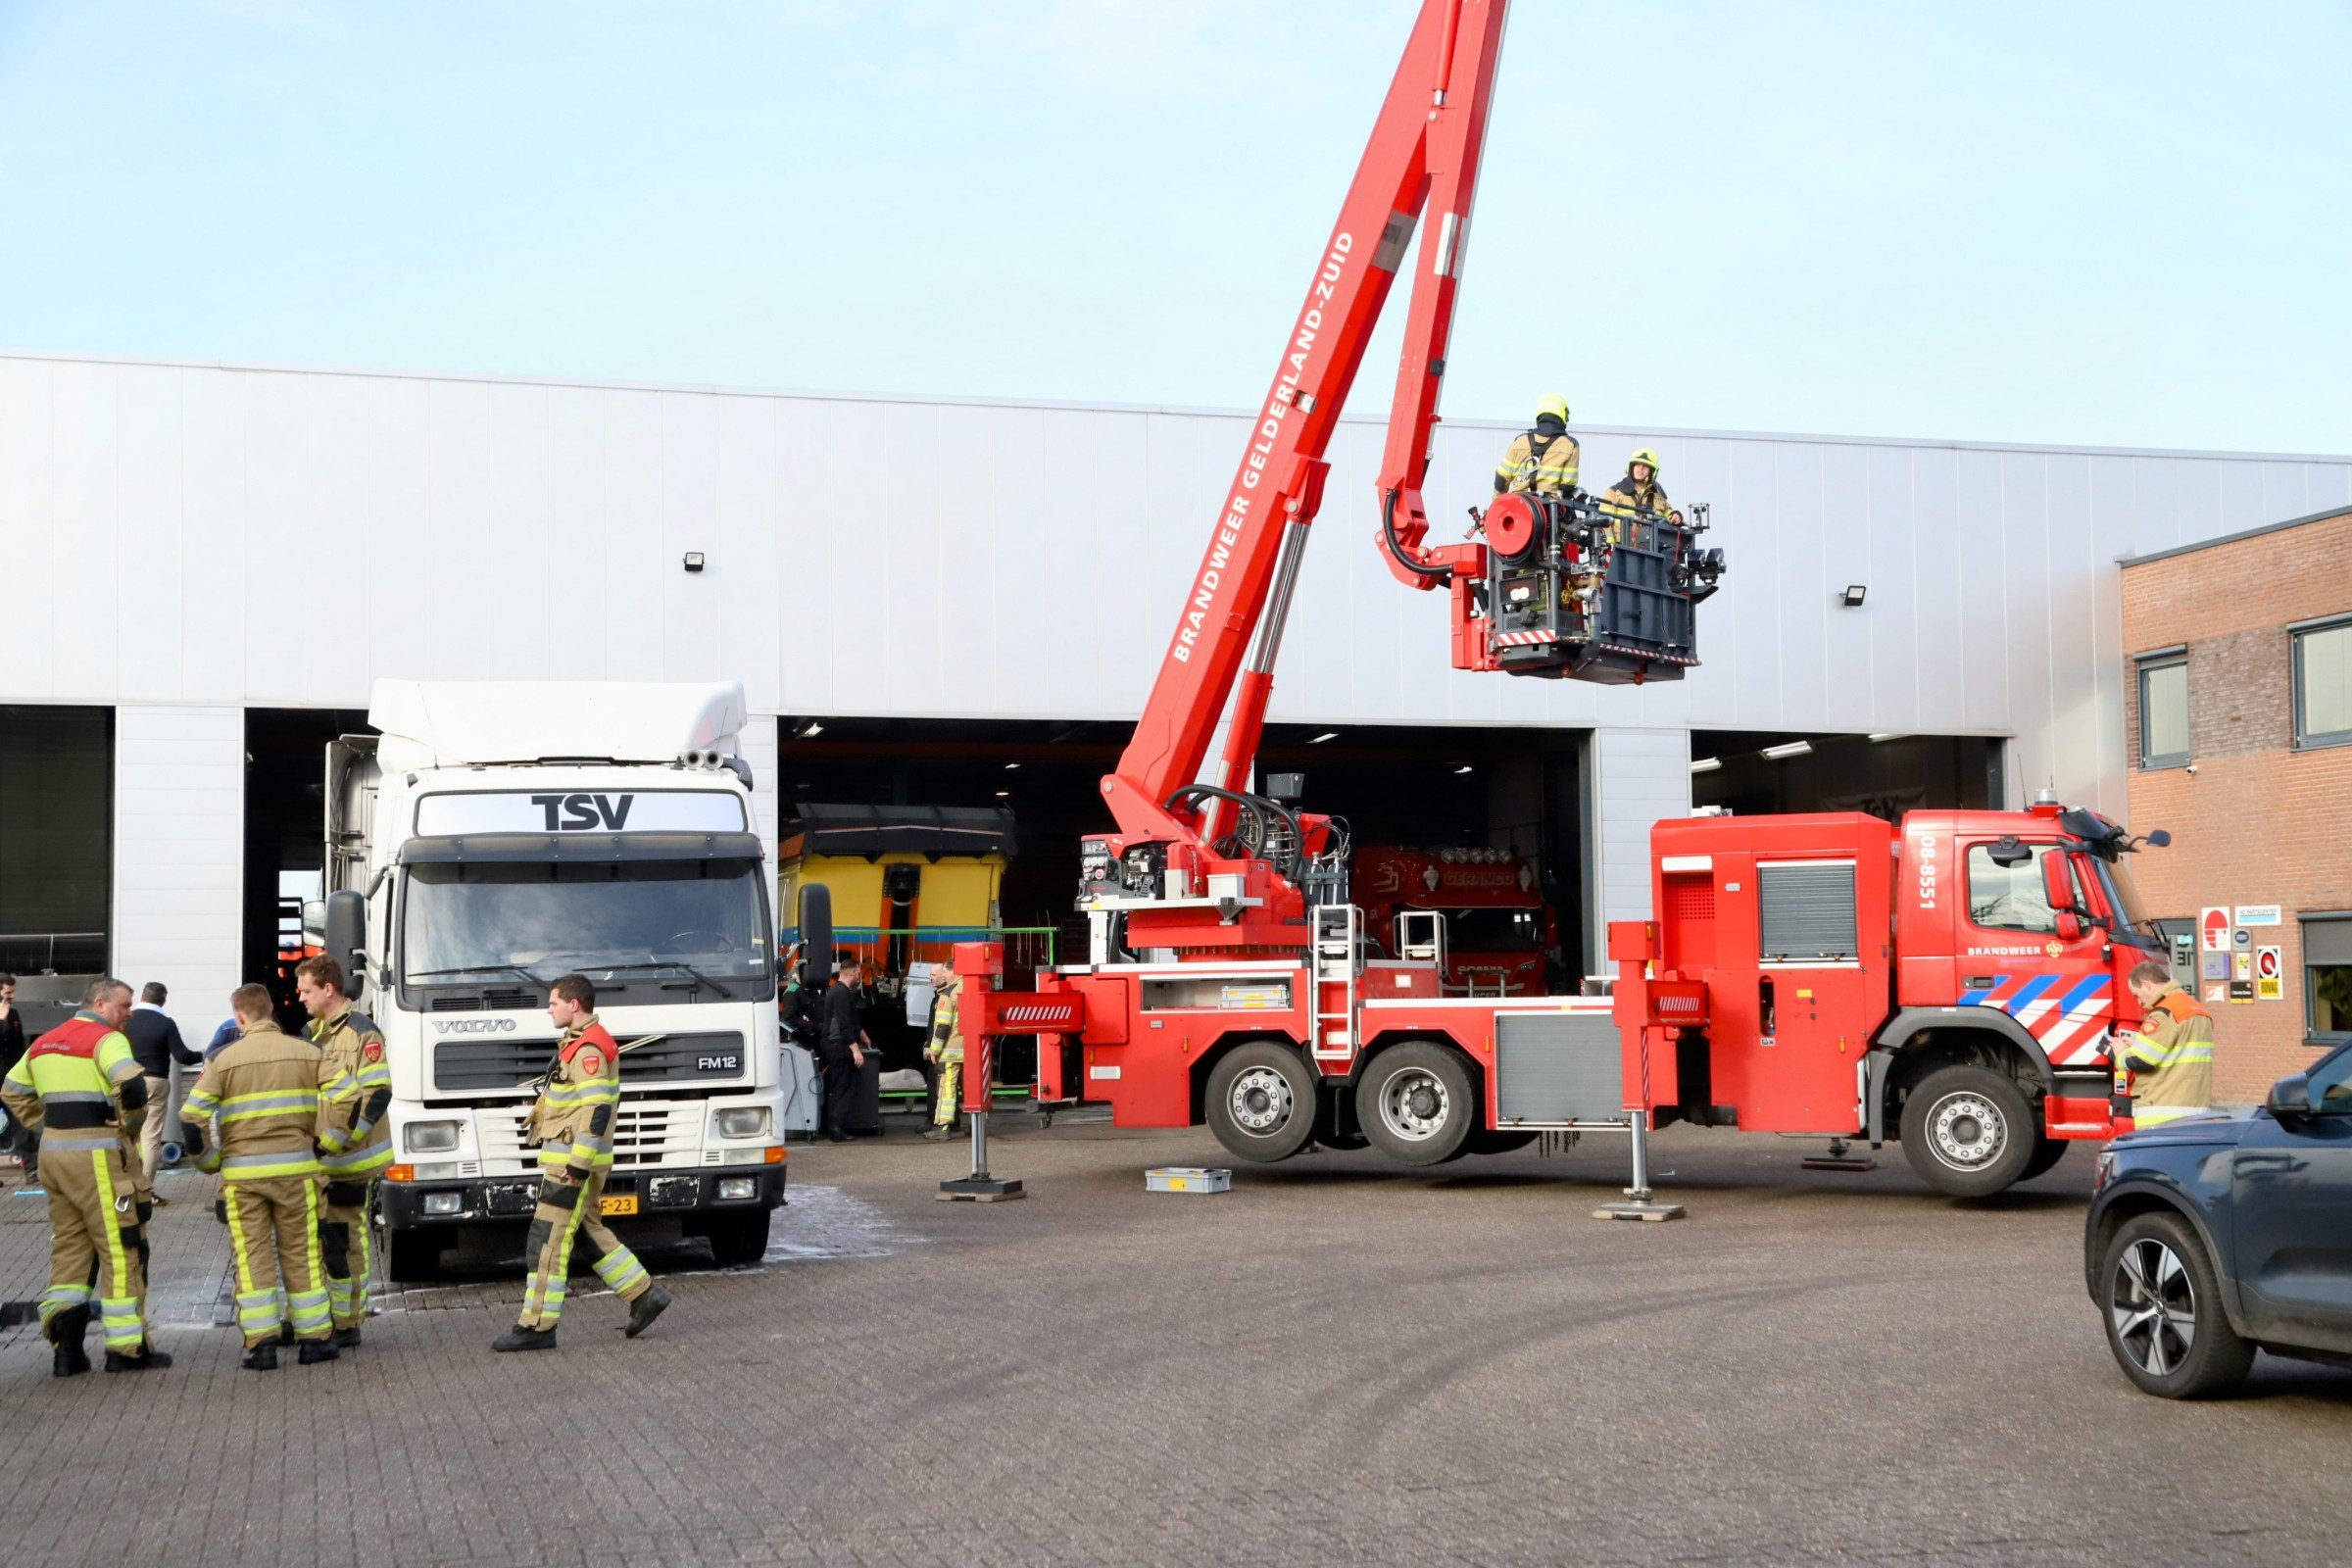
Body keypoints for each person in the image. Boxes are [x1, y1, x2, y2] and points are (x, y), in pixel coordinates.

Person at [179, 982, 359, 1369]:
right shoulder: (308, 1051)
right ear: (272, 1009)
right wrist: (329, 1142)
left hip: (243, 1179)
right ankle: (315, 1341)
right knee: (304, 1255)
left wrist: (209, 1162)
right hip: (298, 1173)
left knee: (252, 1257)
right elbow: (348, 1095)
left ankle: (261, 1346)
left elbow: (190, 1119)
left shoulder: (223, 1060)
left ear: (239, 1017)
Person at [0, 977, 169, 1374]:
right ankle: (127, 1350)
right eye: (124, 1006)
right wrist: (129, 1125)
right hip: (98, 1157)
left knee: (70, 1251)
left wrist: (47, 1125)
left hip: (54, 1157)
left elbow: (11, 1090)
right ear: (99, 1003)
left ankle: (66, 1350)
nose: (129, 1013)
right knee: (121, 1247)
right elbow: (131, 1083)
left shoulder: (46, 1041)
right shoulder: (106, 1040)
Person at [494, 974, 670, 1352]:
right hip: (577, 1162)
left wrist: (577, 1163)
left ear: (574, 1005)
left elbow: (597, 1109)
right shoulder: (582, 1042)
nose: (549, 1009)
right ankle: (644, 1295)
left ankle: (537, 1326)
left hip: (570, 1166)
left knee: (547, 1242)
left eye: (554, 1002)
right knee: (590, 1233)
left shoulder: (587, 1049)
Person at [296, 956, 393, 1348]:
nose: (299, 997)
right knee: (321, 1239)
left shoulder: (361, 1033)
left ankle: (349, 1321)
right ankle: (333, 1316)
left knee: (345, 1239)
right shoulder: (312, 1032)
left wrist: (343, 1140)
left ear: (328, 990)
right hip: (322, 1157)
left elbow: (378, 1094)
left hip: (351, 1159)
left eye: (305, 991)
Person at [123, 981, 200, 1197]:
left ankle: (123, 1186)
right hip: (156, 1081)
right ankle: (144, 1192)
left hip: (127, 1080)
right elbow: (183, 1056)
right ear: (163, 1000)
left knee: (126, 1134)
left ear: (142, 996)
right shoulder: (165, 1023)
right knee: (150, 1138)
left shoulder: (126, 1019)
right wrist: (205, 1054)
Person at [2121, 960, 2215, 1127]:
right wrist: (2139, 1041)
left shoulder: (2164, 1012)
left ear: (2146, 984)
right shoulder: (2197, 1009)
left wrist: (2120, 1052)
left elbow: (2140, 1061)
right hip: (2197, 1110)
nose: (2139, 1002)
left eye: (2136, 994)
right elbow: (2177, 1048)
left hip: (2162, 1113)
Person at [817, 957, 871, 1144]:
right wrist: (855, 1050)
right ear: (852, 973)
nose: (859, 976)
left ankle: (836, 1126)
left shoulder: (842, 992)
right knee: (843, 1086)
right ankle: (835, 1128)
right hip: (837, 1045)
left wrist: (863, 1035)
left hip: (838, 1044)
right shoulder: (840, 993)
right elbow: (844, 1023)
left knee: (848, 1084)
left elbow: (852, 1020)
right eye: (858, 973)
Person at [1493, 394, 1580, 498]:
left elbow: (1500, 481)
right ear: (1563, 415)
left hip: (1516, 506)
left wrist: (1497, 505)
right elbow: (1567, 486)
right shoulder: (1570, 445)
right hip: (1548, 509)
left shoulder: (1519, 441)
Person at [921, 962, 965, 1142]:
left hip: (950, 1052)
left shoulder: (948, 994)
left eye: (945, 972)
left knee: (946, 1091)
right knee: (973, 1090)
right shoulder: (970, 989)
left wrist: (933, 1050)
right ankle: (979, 1125)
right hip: (969, 1050)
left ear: (953, 970)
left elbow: (942, 1027)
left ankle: (944, 1127)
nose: (944, 976)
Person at [1598, 448, 1684, 539]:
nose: (1641, 468)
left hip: (1652, 550)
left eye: (1645, 466)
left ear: (1652, 471)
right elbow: (1604, 521)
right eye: (1637, 464)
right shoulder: (1613, 492)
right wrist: (1609, 548)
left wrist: (1676, 516)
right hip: (1622, 549)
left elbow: (1668, 516)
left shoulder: (1658, 496)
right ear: (1631, 467)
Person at [0, 973, 30, 1184]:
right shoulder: (4, 1014)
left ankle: (31, 1167)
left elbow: (18, 1045)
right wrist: (1, 1019)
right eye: (7, 993)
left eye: (12, 992)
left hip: (11, 1078)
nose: (12, 997)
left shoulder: (14, 1013)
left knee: (22, 1120)